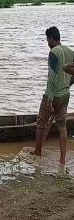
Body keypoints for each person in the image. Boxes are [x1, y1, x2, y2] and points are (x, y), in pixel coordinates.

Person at [33, 26, 74, 165]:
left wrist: (49, 99)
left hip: (54, 95)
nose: (47, 42)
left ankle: (37, 151)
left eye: (47, 39)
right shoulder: (70, 52)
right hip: (65, 94)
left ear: (51, 38)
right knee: (62, 126)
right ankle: (62, 160)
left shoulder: (53, 52)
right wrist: (68, 84)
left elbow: (52, 77)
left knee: (41, 123)